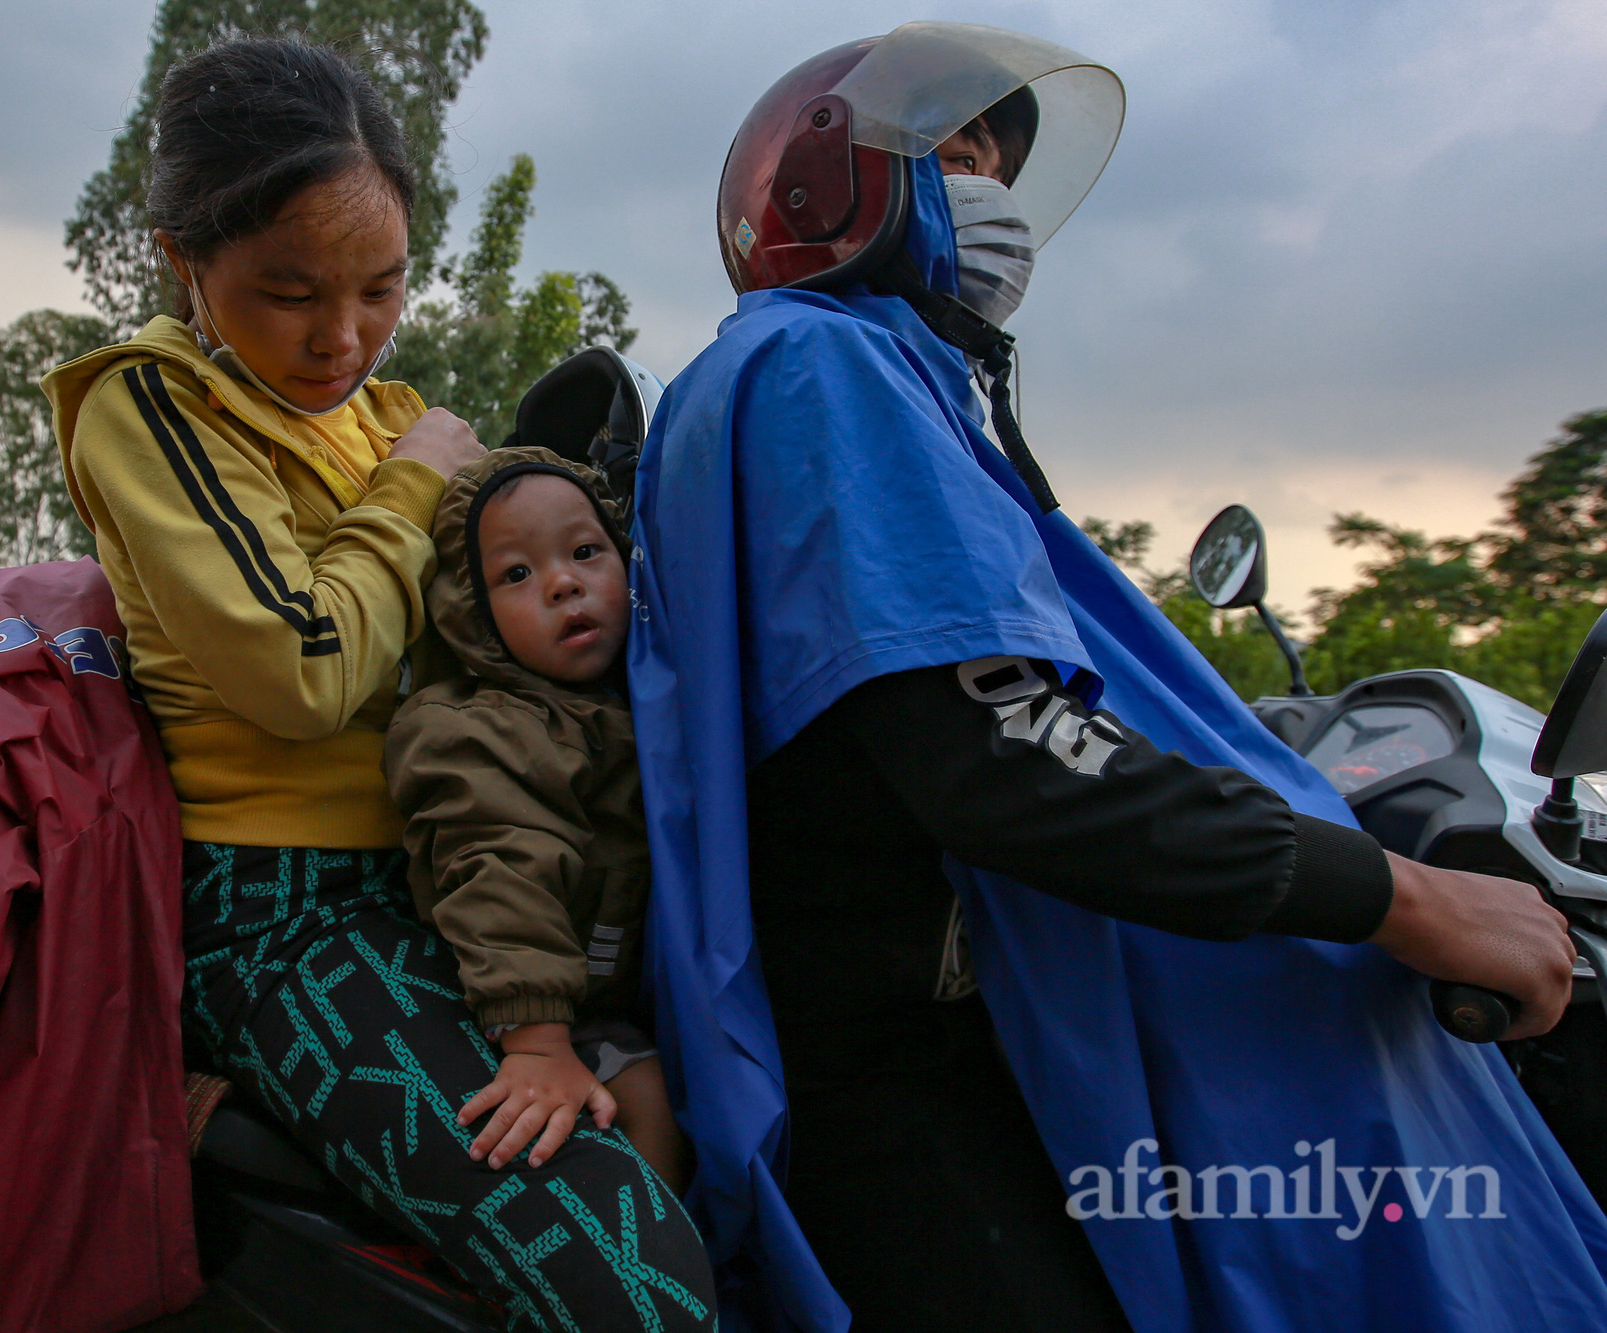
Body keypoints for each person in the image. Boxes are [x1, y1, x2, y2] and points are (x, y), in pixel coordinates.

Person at [628, 22, 1604, 1333]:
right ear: (829, 187)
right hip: (892, 1078)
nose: (988, 188)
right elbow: (1007, 750)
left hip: (918, 1046)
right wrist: (1401, 895)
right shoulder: (823, 364)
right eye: (954, 150)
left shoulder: (863, 386)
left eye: (999, 161)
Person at [45, 37, 716, 1332]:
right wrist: (418, 481)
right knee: (638, 1291)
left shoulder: (386, 417)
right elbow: (305, 667)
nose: (341, 336)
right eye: (289, 292)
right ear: (185, 259)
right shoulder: (151, 404)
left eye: (383, 285)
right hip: (286, 913)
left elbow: (518, 600)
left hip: (454, 875)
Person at [385, 447, 689, 1192]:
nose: (563, 582)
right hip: (517, 1002)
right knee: (643, 1097)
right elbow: (501, 868)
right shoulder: (479, 728)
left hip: (611, 984)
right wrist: (538, 1037)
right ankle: (646, 1283)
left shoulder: (641, 696)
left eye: (586, 552)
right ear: (471, 614)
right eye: (515, 575)